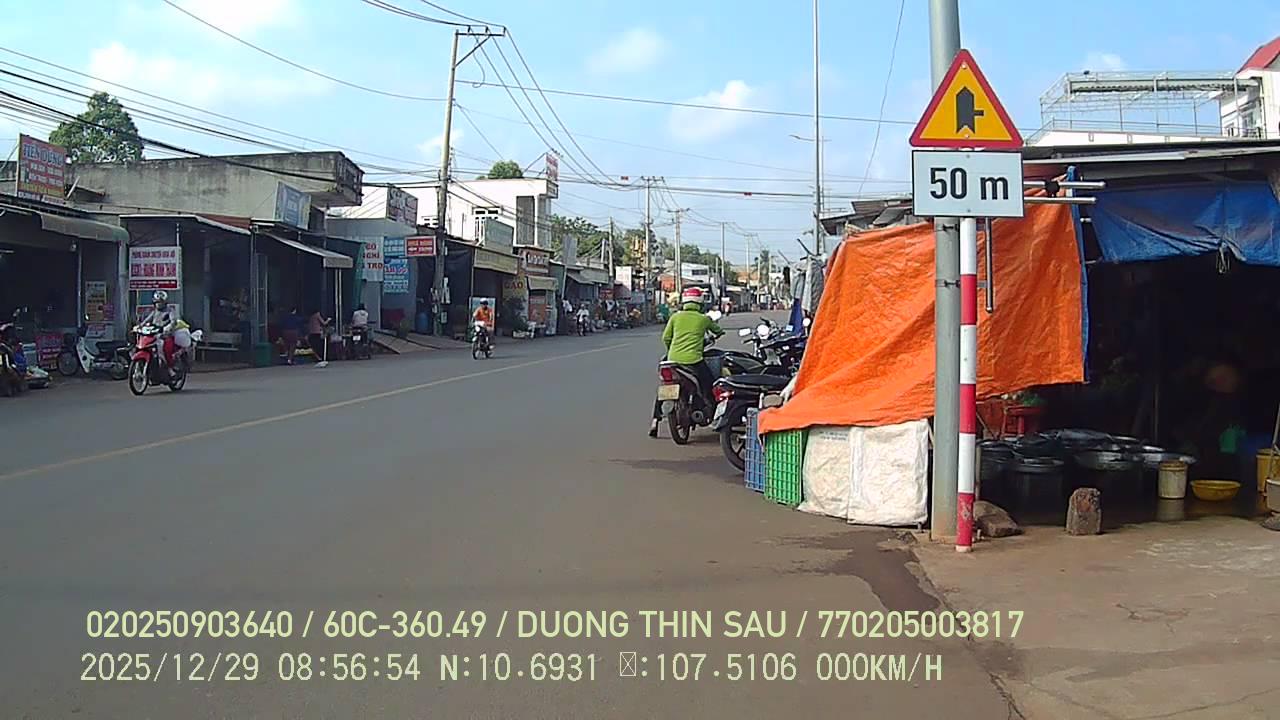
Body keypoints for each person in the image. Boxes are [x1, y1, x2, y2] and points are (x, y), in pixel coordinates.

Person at [652, 287, 723, 437]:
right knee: (710, 384)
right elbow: (718, 331)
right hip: (693, 361)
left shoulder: (675, 317)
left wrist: (671, 350)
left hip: (672, 359)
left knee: (664, 386)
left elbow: (666, 338)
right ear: (700, 303)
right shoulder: (703, 319)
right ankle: (713, 410)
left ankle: (654, 420)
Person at [141, 290, 179, 367]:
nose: (158, 304)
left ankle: (166, 365)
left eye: (160, 302)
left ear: (165, 302)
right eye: (157, 302)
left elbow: (173, 321)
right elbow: (146, 321)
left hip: (165, 335)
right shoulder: (154, 312)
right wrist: (139, 326)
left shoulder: (170, 310)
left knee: (162, 347)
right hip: (153, 334)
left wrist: (168, 327)